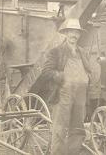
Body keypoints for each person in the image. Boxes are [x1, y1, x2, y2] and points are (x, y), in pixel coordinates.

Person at [33, 18, 91, 155]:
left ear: (79, 35)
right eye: (71, 32)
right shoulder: (56, 52)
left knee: (78, 129)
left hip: (80, 96)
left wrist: (88, 78)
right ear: (66, 33)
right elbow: (46, 72)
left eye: (76, 32)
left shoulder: (83, 52)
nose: (74, 35)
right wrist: (61, 77)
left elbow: (88, 70)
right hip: (63, 94)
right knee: (59, 129)